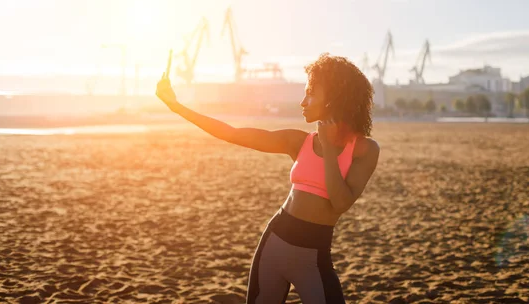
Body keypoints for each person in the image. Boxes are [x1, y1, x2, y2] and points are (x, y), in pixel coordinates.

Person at [156, 53, 380, 304]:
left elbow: (340, 202)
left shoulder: (365, 149)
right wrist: (175, 106)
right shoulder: (298, 141)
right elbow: (232, 133)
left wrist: (328, 147)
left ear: (335, 99)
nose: (302, 102)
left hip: (314, 257)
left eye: (310, 93)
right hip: (274, 244)